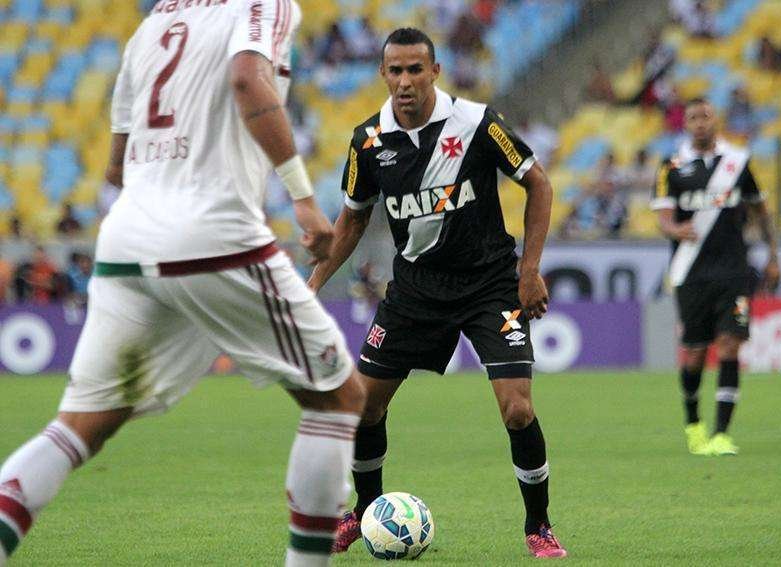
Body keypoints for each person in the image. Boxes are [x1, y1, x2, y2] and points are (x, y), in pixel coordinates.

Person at [0, 3, 366, 567]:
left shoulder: (152, 26)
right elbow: (246, 75)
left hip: (126, 241)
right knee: (338, 397)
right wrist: (302, 196)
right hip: (214, 232)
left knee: (78, 428)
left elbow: (115, 169)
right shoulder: (262, 4)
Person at [308, 28, 567, 558]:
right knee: (363, 409)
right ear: (383, 74)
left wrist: (530, 269)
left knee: (517, 409)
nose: (405, 81)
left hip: (488, 285)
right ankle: (366, 511)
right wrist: (313, 284)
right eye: (395, 71)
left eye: (415, 70)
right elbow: (352, 222)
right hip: (415, 292)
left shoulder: (475, 123)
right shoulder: (368, 141)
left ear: (435, 72)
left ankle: (537, 525)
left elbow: (537, 182)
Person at [651, 97, 780, 456]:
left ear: (715, 120)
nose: (700, 123)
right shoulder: (672, 166)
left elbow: (761, 210)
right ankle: (694, 425)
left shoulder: (737, 162)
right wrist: (676, 229)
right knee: (693, 353)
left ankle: (722, 433)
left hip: (733, 270)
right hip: (690, 271)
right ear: (686, 124)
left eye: (705, 116)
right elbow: (662, 216)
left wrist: (773, 254)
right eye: (693, 117)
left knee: (729, 344)